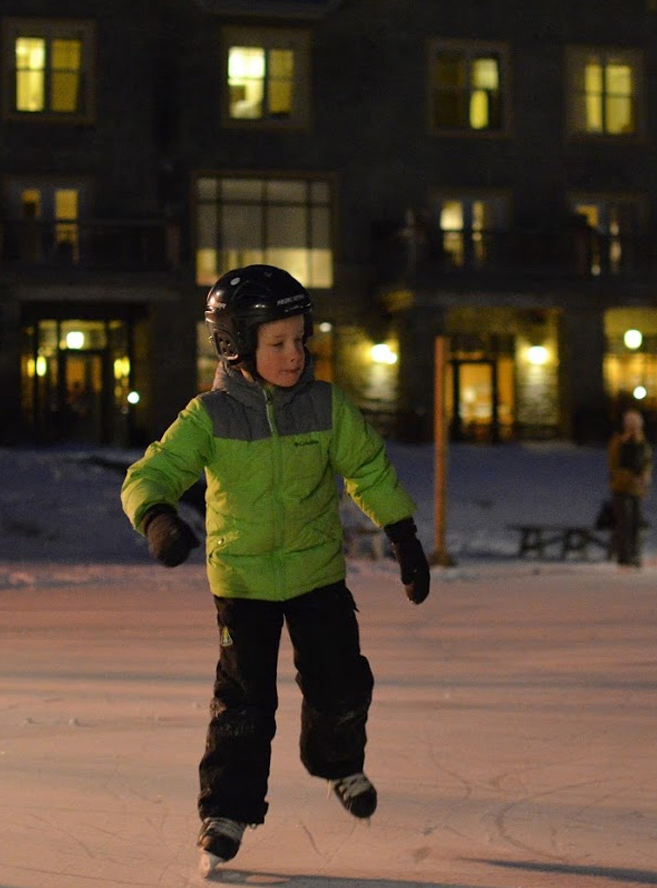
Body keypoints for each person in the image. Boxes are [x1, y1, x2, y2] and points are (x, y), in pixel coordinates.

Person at [120, 264, 430, 874]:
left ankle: (337, 762)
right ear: (236, 345)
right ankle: (226, 810)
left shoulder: (325, 406)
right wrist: (156, 517)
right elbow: (148, 475)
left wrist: (403, 533)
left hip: (318, 577)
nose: (295, 355)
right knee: (243, 705)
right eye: (278, 343)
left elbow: (367, 468)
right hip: (244, 585)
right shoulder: (209, 416)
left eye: (301, 340)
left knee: (341, 683)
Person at [607, 408, 652, 568]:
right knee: (624, 522)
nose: (634, 430)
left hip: (637, 489)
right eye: (632, 426)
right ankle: (624, 557)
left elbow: (647, 461)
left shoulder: (642, 443)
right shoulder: (618, 442)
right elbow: (614, 467)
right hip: (621, 488)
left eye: (637, 426)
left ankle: (635, 554)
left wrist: (645, 476)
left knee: (636, 522)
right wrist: (630, 477)